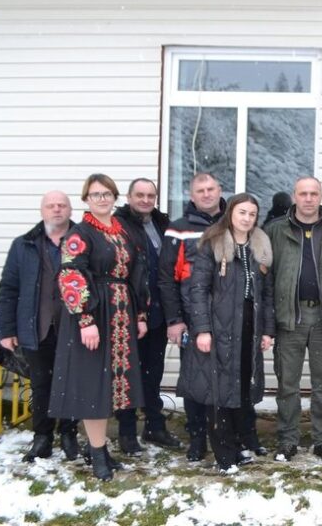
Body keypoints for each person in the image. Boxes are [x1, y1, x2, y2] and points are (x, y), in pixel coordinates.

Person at [49, 174, 148, 481]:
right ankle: (96, 452)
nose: (102, 198)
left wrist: (140, 313)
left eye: (107, 193)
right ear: (86, 199)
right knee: (95, 386)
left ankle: (101, 449)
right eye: (95, 194)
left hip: (120, 314)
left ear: (114, 197)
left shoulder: (121, 231)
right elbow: (70, 277)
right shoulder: (81, 234)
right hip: (95, 316)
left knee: (112, 388)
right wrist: (85, 320)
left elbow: (136, 273)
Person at [186, 193, 275, 475]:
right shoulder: (212, 243)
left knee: (241, 389)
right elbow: (197, 289)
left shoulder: (259, 245)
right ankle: (224, 453)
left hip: (249, 327)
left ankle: (238, 444)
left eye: (251, 214)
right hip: (219, 327)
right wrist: (202, 329)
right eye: (242, 212)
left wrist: (267, 330)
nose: (247, 218)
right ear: (230, 213)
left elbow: (267, 294)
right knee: (219, 390)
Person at [265, 176, 322, 463]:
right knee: (287, 384)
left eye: (314, 193)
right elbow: (267, 279)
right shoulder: (275, 231)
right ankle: (288, 440)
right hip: (290, 317)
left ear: (321, 196)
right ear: (294, 196)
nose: (309, 199)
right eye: (303, 193)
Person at [0, 191, 80, 463]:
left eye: (62, 205)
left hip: (74, 328)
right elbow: (9, 289)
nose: (57, 210)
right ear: (42, 210)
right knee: (42, 384)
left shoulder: (83, 240)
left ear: (70, 210)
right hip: (36, 327)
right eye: (51, 206)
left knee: (70, 382)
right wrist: (7, 330)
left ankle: (69, 433)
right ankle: (42, 437)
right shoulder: (24, 245)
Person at [159, 173, 226, 462]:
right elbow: (165, 278)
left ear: (220, 191)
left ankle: (225, 435)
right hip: (191, 318)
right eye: (201, 190)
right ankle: (197, 437)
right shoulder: (179, 229)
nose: (207, 194)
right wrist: (175, 319)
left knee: (227, 379)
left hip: (227, 319)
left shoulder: (233, 222)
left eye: (211, 189)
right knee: (194, 381)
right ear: (192, 195)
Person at [113, 178, 181, 454]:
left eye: (150, 195)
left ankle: (155, 425)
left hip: (157, 312)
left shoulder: (161, 223)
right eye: (139, 195)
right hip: (129, 312)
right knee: (127, 374)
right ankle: (127, 431)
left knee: (153, 373)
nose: (145, 200)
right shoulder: (118, 225)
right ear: (129, 196)